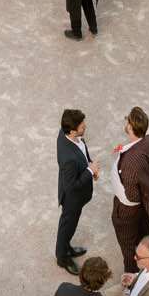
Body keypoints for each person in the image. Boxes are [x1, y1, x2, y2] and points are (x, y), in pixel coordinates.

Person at [110, 108, 149, 272]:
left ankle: (131, 280)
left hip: (128, 211)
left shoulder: (130, 163)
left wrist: (125, 158)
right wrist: (127, 149)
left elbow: (131, 195)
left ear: (130, 127)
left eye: (127, 122)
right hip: (146, 207)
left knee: (129, 247)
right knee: (145, 236)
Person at [56, 107, 99, 272]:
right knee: (67, 226)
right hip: (72, 200)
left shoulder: (66, 133)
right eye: (81, 126)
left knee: (71, 226)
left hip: (79, 197)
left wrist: (90, 166)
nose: (85, 126)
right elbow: (71, 186)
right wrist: (89, 171)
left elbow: (84, 153)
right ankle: (62, 257)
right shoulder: (68, 159)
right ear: (73, 131)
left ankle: (67, 247)